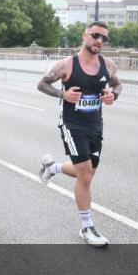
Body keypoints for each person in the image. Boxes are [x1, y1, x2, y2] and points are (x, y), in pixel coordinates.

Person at [36, 21, 122, 247]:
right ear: (85, 35)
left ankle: (52, 167)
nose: (100, 41)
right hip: (72, 125)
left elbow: (118, 86)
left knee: (87, 173)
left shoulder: (109, 65)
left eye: (104, 38)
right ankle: (87, 227)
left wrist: (113, 96)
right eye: (96, 36)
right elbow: (42, 84)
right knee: (84, 176)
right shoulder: (66, 65)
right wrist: (62, 95)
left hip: (95, 125)